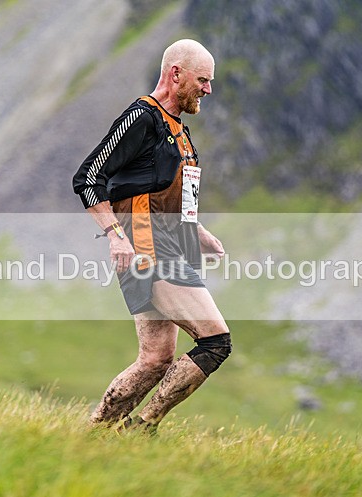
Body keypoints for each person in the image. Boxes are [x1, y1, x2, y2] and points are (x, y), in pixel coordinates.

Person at [72, 39, 232, 432]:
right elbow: (88, 177)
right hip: (147, 251)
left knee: (156, 359)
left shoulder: (182, 132)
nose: (208, 90)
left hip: (174, 248)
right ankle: (143, 427)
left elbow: (178, 199)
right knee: (216, 341)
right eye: (203, 80)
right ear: (175, 74)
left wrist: (201, 235)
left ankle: (90, 438)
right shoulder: (142, 116)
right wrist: (114, 236)